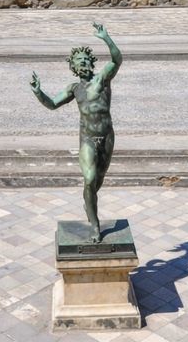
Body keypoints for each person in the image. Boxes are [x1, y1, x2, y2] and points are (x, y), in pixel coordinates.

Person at [30, 23, 121, 242]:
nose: (82, 63)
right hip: (88, 139)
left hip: (107, 137)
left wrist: (106, 38)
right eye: (77, 61)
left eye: (85, 59)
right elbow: (52, 104)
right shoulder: (74, 89)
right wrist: (38, 92)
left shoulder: (102, 79)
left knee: (97, 183)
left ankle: (89, 205)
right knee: (89, 180)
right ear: (73, 67)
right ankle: (95, 226)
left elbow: (117, 60)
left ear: (91, 63)